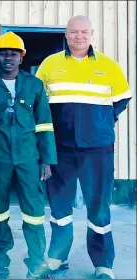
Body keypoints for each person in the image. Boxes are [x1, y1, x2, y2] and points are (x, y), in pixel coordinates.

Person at [36, 15, 132, 280]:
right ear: (66, 35)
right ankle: (57, 259)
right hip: (59, 149)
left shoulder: (109, 66)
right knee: (59, 208)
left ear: (92, 34)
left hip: (97, 150)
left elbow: (121, 100)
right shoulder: (49, 65)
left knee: (99, 208)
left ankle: (103, 265)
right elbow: (39, 103)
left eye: (84, 32)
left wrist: (100, 123)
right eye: (73, 32)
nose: (78, 36)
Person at [0, 32, 57, 279]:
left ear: (21, 57)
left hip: (29, 159)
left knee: (33, 212)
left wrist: (47, 159)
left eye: (13, 54)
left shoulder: (34, 85)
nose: (8, 58)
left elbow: (44, 124)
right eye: (3, 53)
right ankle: (0, 262)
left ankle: (36, 264)